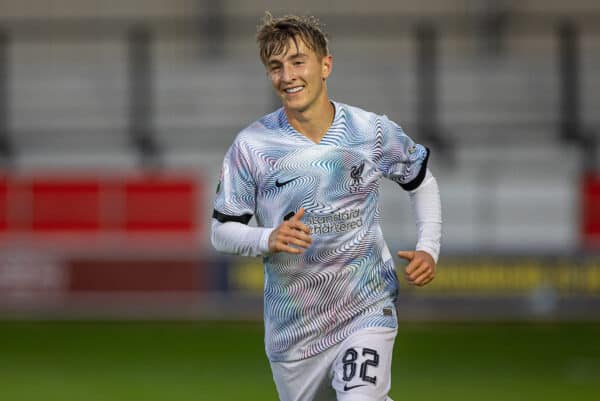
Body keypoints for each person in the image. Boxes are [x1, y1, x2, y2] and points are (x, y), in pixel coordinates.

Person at [211, 13, 442, 401]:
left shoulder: (371, 131)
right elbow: (221, 231)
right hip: (294, 331)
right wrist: (269, 237)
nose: (288, 76)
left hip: (366, 307)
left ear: (325, 65)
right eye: (275, 66)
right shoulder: (252, 146)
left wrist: (429, 247)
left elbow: (422, 181)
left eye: (298, 61)